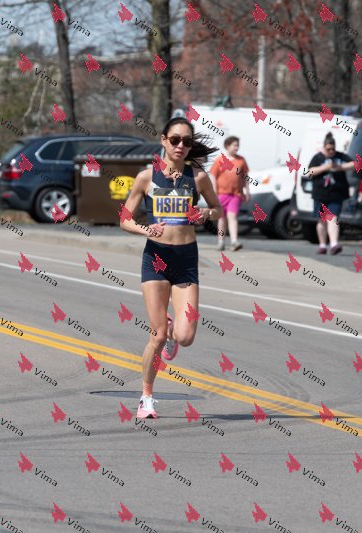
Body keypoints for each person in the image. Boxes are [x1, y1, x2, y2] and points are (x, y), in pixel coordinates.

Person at [120, 117, 222, 419]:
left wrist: (205, 214)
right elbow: (124, 218)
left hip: (186, 260)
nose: (180, 146)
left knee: (185, 336)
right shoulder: (146, 177)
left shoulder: (198, 178)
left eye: (187, 142)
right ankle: (146, 398)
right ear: (163, 140)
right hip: (156, 258)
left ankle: (169, 326)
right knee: (158, 336)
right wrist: (145, 229)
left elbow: (218, 209)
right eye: (175, 140)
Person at [307, 133, 355, 255]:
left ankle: (334, 244)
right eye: (328, 149)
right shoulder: (318, 158)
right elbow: (309, 172)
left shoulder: (340, 156)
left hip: (336, 194)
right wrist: (325, 167)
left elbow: (354, 164)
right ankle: (322, 245)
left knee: (333, 218)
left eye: (333, 149)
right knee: (322, 220)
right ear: (324, 147)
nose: (331, 151)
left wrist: (340, 167)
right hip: (320, 194)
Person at [208, 136, 249, 251]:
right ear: (227, 146)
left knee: (233, 216)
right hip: (222, 194)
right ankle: (221, 241)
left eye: (238, 145)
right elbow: (213, 176)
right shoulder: (220, 160)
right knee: (222, 218)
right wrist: (214, 192)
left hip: (236, 194)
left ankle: (234, 241)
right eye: (234, 145)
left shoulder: (241, 160)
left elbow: (245, 177)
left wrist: (247, 191)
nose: (237, 147)